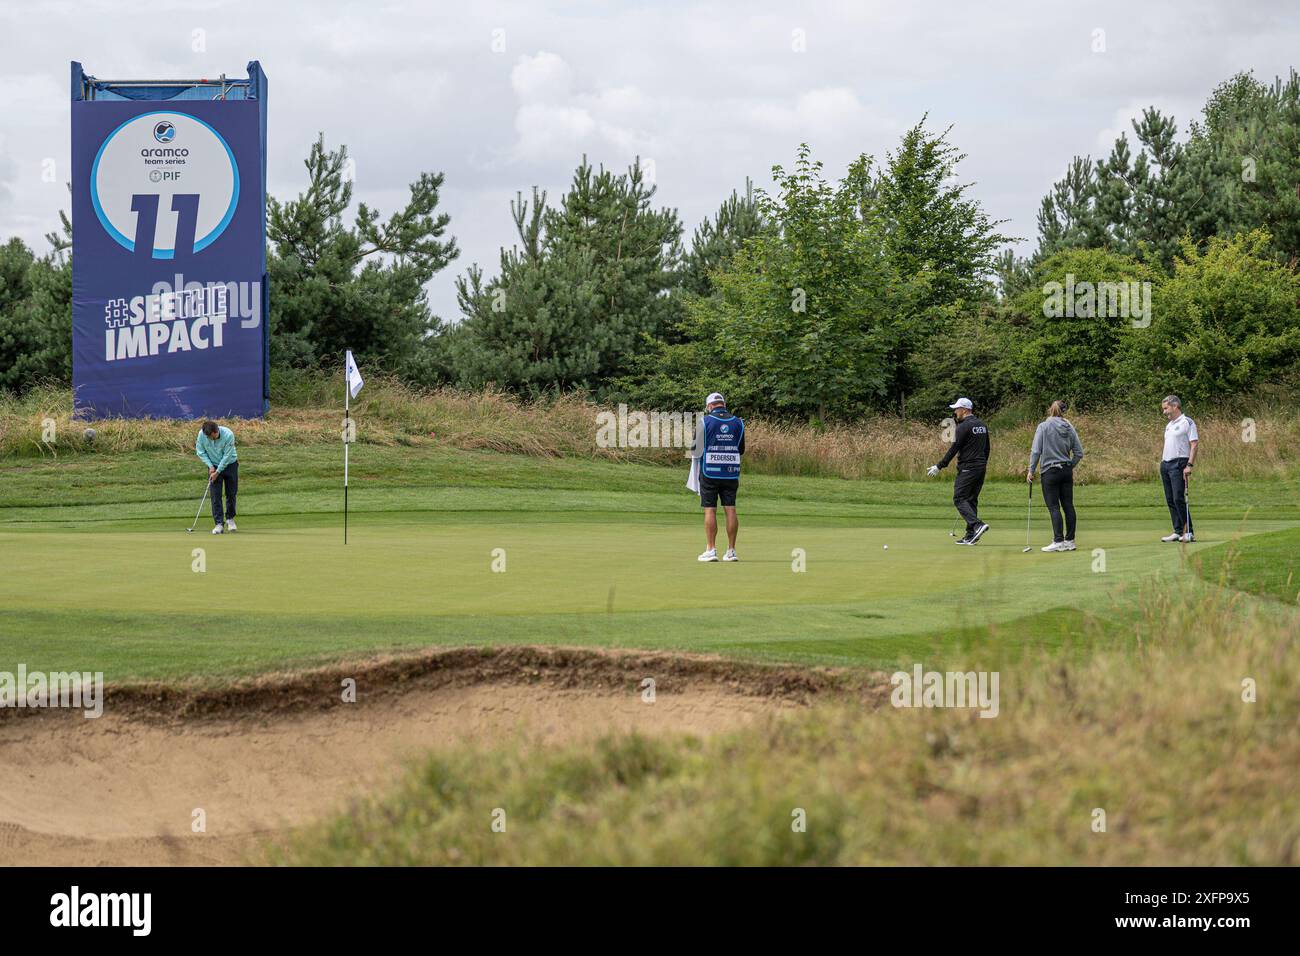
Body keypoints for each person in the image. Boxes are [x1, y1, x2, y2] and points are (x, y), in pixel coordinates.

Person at [927, 398, 991, 544]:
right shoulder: (982, 425)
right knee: (971, 500)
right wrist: (982, 463)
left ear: (965, 410)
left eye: (957, 409)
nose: (955, 412)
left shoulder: (963, 427)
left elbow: (954, 449)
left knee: (959, 498)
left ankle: (977, 525)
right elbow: (987, 448)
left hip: (968, 468)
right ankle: (970, 535)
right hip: (980, 467)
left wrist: (939, 465)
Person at [691, 392, 744, 562]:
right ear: (723, 404)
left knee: (710, 509)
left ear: (710, 406)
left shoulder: (704, 421)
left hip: (710, 472)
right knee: (730, 508)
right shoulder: (738, 422)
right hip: (730, 472)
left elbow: (694, 450)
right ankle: (731, 551)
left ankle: (711, 549)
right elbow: (741, 449)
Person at [1027, 400, 1085, 552]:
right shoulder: (1069, 427)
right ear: (1064, 411)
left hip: (1050, 471)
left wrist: (1031, 470)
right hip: (1066, 471)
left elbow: (1035, 451)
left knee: (1054, 507)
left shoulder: (1043, 426)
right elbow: (1079, 453)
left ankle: (1058, 540)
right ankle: (1070, 541)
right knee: (1068, 506)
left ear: (1050, 410)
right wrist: (1069, 465)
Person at [1159, 394, 1197, 543]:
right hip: (1166, 464)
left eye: (1166, 408)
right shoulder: (1169, 425)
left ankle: (1189, 532)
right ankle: (1177, 530)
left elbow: (1194, 444)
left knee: (1178, 498)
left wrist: (1189, 465)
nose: (1164, 412)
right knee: (1170, 499)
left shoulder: (1187, 422)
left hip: (1179, 463)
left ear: (1175, 406)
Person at [196, 420, 239, 534]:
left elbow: (227, 456)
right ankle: (219, 524)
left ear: (216, 431)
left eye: (212, 437)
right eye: (208, 437)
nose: (210, 439)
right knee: (215, 496)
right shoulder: (202, 434)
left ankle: (230, 519)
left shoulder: (228, 435)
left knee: (231, 493)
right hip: (213, 466)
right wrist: (210, 466)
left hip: (230, 465)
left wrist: (218, 471)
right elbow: (200, 451)